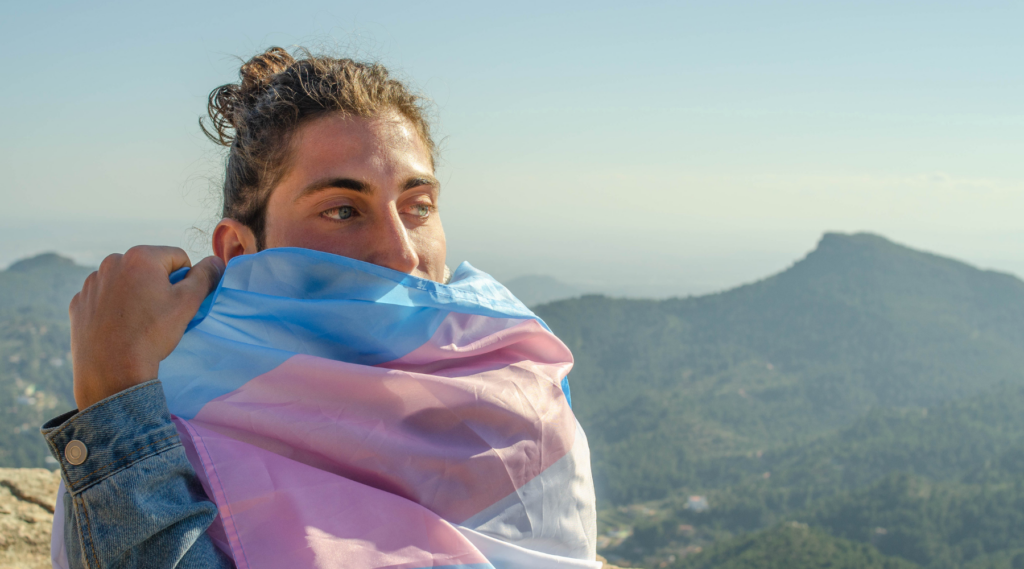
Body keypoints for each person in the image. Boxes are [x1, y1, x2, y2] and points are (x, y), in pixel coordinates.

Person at [41, 47, 597, 569]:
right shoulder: (175, 420)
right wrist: (119, 397)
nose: (400, 252)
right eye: (341, 210)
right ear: (239, 250)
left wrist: (111, 402)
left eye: (418, 206)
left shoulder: (520, 388)